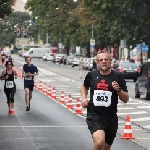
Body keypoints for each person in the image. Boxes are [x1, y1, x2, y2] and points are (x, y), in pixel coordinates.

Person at [80, 52, 129, 150]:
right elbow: (84, 86)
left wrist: (118, 90)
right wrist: (84, 98)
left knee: (105, 148)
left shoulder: (118, 77)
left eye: (106, 59)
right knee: (99, 142)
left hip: (111, 117)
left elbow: (126, 99)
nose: (104, 62)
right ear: (97, 62)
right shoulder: (91, 75)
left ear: (111, 61)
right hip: (95, 115)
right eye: (101, 60)